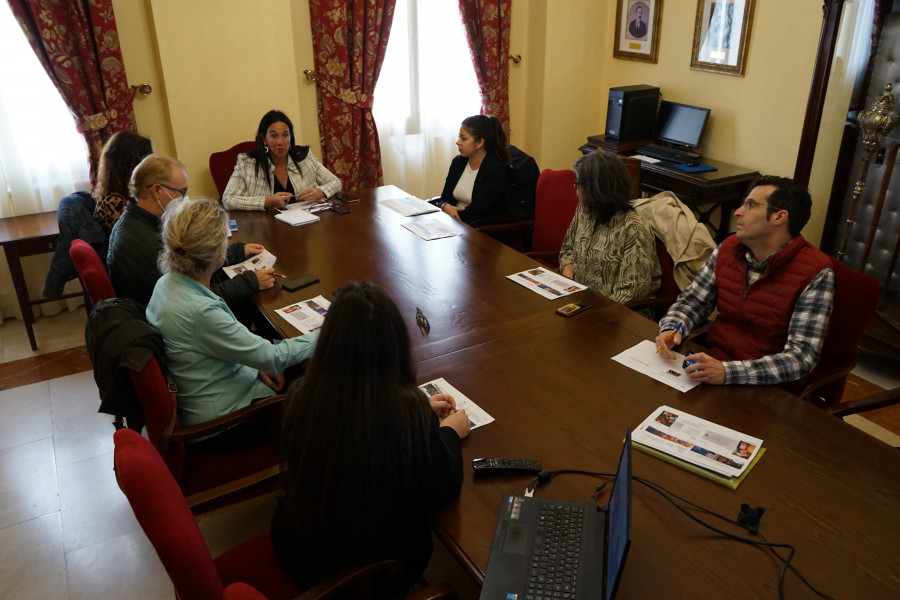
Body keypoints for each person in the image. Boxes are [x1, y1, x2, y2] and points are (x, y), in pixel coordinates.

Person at [270, 282, 470, 597]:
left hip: (295, 546)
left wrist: (417, 409)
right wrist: (448, 431)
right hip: (368, 571)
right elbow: (442, 486)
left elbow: (360, 414)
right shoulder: (406, 412)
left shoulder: (300, 394)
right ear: (395, 346)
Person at [146, 198, 317, 437]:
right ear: (217, 252)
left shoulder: (166, 283)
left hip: (213, 389)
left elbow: (218, 344)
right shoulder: (200, 311)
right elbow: (274, 358)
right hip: (226, 423)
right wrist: (330, 330)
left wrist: (254, 364)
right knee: (319, 391)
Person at [655, 175, 835, 386]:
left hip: (764, 383)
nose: (738, 212)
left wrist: (727, 371)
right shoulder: (729, 248)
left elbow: (801, 357)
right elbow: (694, 301)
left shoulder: (816, 272)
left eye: (750, 205)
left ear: (779, 217)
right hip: (712, 361)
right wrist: (672, 327)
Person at [108, 154, 273, 309]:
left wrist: (235, 252)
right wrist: (249, 282)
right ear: (157, 191)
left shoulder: (134, 220)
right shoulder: (147, 245)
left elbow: (192, 263)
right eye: (182, 192)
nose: (185, 198)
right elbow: (194, 299)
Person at [558, 152, 661, 304]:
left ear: (596, 190)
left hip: (618, 316)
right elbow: (567, 249)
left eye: (578, 183)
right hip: (580, 301)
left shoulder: (634, 229)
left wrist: (589, 311)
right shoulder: (585, 210)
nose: (575, 186)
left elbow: (630, 293)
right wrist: (569, 286)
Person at [222, 110, 342, 211]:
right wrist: (267, 201)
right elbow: (228, 200)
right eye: (274, 136)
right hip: (265, 228)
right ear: (264, 139)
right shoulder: (248, 162)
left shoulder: (304, 156)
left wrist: (320, 192)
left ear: (290, 137)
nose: (280, 142)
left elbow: (336, 182)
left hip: (304, 224)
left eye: (285, 135)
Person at [434, 114, 509, 223]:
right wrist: (445, 206)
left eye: (463, 138)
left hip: (478, 229)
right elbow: (444, 198)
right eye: (459, 137)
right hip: (454, 222)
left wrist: (447, 210)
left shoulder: (495, 171)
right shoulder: (458, 162)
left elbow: (475, 213)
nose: (458, 142)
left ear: (479, 143)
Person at [93, 130, 154, 231]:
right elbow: (143, 234)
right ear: (133, 165)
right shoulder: (113, 204)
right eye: (148, 161)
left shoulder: (125, 194)